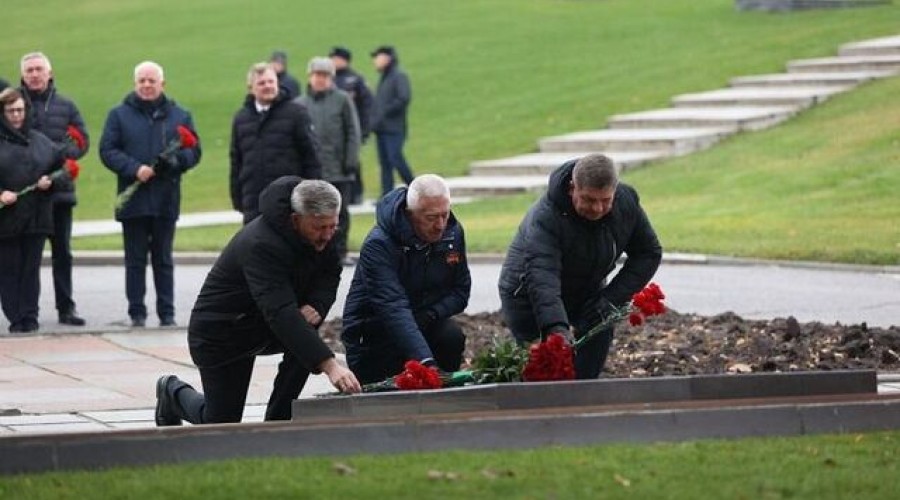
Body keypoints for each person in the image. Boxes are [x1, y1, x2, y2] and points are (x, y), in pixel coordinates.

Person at [155, 177, 361, 425]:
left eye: (332, 226)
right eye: (320, 228)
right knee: (222, 424)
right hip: (223, 333)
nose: (327, 235)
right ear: (295, 219)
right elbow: (281, 313)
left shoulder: (324, 231)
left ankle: (278, 421)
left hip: (262, 326)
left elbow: (330, 273)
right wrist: (330, 365)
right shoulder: (261, 244)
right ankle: (171, 392)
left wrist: (317, 304)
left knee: (305, 333)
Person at [498, 154, 662, 379]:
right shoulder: (546, 217)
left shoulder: (626, 203)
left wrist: (610, 299)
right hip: (528, 295)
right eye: (588, 200)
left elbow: (648, 253)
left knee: (589, 365)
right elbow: (542, 277)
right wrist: (556, 329)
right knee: (544, 376)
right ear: (572, 188)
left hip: (587, 292)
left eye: (605, 200)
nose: (597, 208)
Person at [99, 61, 202, 328]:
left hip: (165, 198)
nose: (146, 85)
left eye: (151, 80)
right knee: (134, 260)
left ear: (162, 84)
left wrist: (175, 163)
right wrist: (135, 169)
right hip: (133, 200)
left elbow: (194, 151)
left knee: (163, 259)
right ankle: (137, 312)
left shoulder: (180, 116)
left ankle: (166, 313)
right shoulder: (118, 115)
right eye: (141, 80)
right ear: (135, 83)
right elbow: (107, 150)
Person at [342, 174, 471, 384]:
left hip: (422, 322)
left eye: (444, 215)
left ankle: (443, 399)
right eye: (431, 217)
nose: (440, 225)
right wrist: (427, 363)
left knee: (451, 336)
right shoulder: (379, 245)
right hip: (376, 334)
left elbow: (460, 291)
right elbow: (393, 308)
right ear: (410, 214)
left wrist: (429, 315)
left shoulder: (452, 233)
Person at [19, 52, 90, 327]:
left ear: (49, 73)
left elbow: (81, 143)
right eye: (29, 71)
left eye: (39, 70)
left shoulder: (65, 105)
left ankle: (66, 307)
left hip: (59, 192)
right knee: (27, 256)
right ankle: (27, 311)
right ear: (23, 75)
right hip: (27, 194)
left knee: (62, 252)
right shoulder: (14, 104)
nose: (34, 75)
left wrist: (57, 155)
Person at [0, 88, 62, 333]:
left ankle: (30, 315)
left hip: (36, 217)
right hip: (6, 220)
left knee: (30, 270)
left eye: (20, 110)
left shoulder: (40, 140)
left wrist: (51, 181)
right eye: (10, 111)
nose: (16, 115)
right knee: (9, 269)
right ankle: (16, 317)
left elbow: (61, 170)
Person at [230, 62, 321, 224]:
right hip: (253, 201)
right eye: (261, 83)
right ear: (251, 88)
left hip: (289, 200)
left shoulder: (296, 113)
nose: (267, 86)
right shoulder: (241, 119)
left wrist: (311, 196)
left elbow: (311, 156)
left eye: (271, 81)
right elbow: (236, 161)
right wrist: (237, 197)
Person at [296, 57, 360, 265]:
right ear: (310, 77)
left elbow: (353, 131)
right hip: (311, 171)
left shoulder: (342, 100)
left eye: (325, 76)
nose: (320, 80)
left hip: (338, 168)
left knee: (339, 213)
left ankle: (339, 251)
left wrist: (350, 161)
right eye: (317, 75)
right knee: (310, 213)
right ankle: (312, 251)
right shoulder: (300, 104)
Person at [330, 46, 373, 205]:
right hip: (335, 132)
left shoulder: (355, 80)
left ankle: (357, 193)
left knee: (353, 162)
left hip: (352, 129)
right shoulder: (331, 80)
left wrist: (365, 129)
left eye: (335, 58)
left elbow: (367, 105)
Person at [370, 45, 414, 196]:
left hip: (394, 128)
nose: (375, 61)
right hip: (381, 129)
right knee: (385, 164)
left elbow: (403, 98)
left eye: (378, 57)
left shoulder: (399, 76)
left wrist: (384, 113)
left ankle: (415, 188)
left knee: (395, 158)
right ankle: (386, 196)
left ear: (388, 58)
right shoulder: (384, 78)